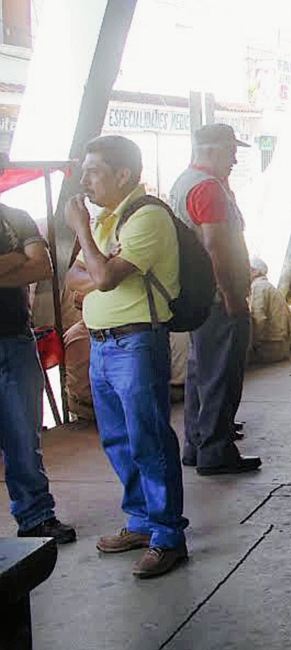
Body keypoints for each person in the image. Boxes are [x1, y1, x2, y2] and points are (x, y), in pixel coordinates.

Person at [64, 135, 187, 578]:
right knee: (117, 438)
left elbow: (103, 277)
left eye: (93, 172)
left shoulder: (147, 217)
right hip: (102, 344)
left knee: (148, 438)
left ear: (123, 174)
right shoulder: (107, 222)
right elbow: (75, 277)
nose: (85, 182)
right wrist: (96, 266)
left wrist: (83, 232)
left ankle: (168, 534)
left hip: (136, 343)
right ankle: (141, 520)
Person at [168, 124, 259, 476]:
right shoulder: (208, 189)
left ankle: (197, 441)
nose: (235, 158)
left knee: (200, 371)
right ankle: (216, 449)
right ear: (214, 149)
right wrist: (232, 295)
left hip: (196, 296)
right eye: (231, 150)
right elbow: (216, 247)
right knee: (221, 373)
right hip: (219, 298)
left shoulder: (185, 182)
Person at [0, 198, 76, 544]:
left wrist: (25, 262)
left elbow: (42, 266)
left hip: (15, 339)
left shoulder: (15, 219)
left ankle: (36, 516)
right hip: (15, 341)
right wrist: (15, 260)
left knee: (24, 436)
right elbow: (26, 263)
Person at [247, 258, 291, 364]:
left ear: (255, 271)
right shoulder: (267, 286)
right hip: (281, 345)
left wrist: (249, 347)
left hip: (271, 347)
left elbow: (258, 319)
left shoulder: (259, 287)